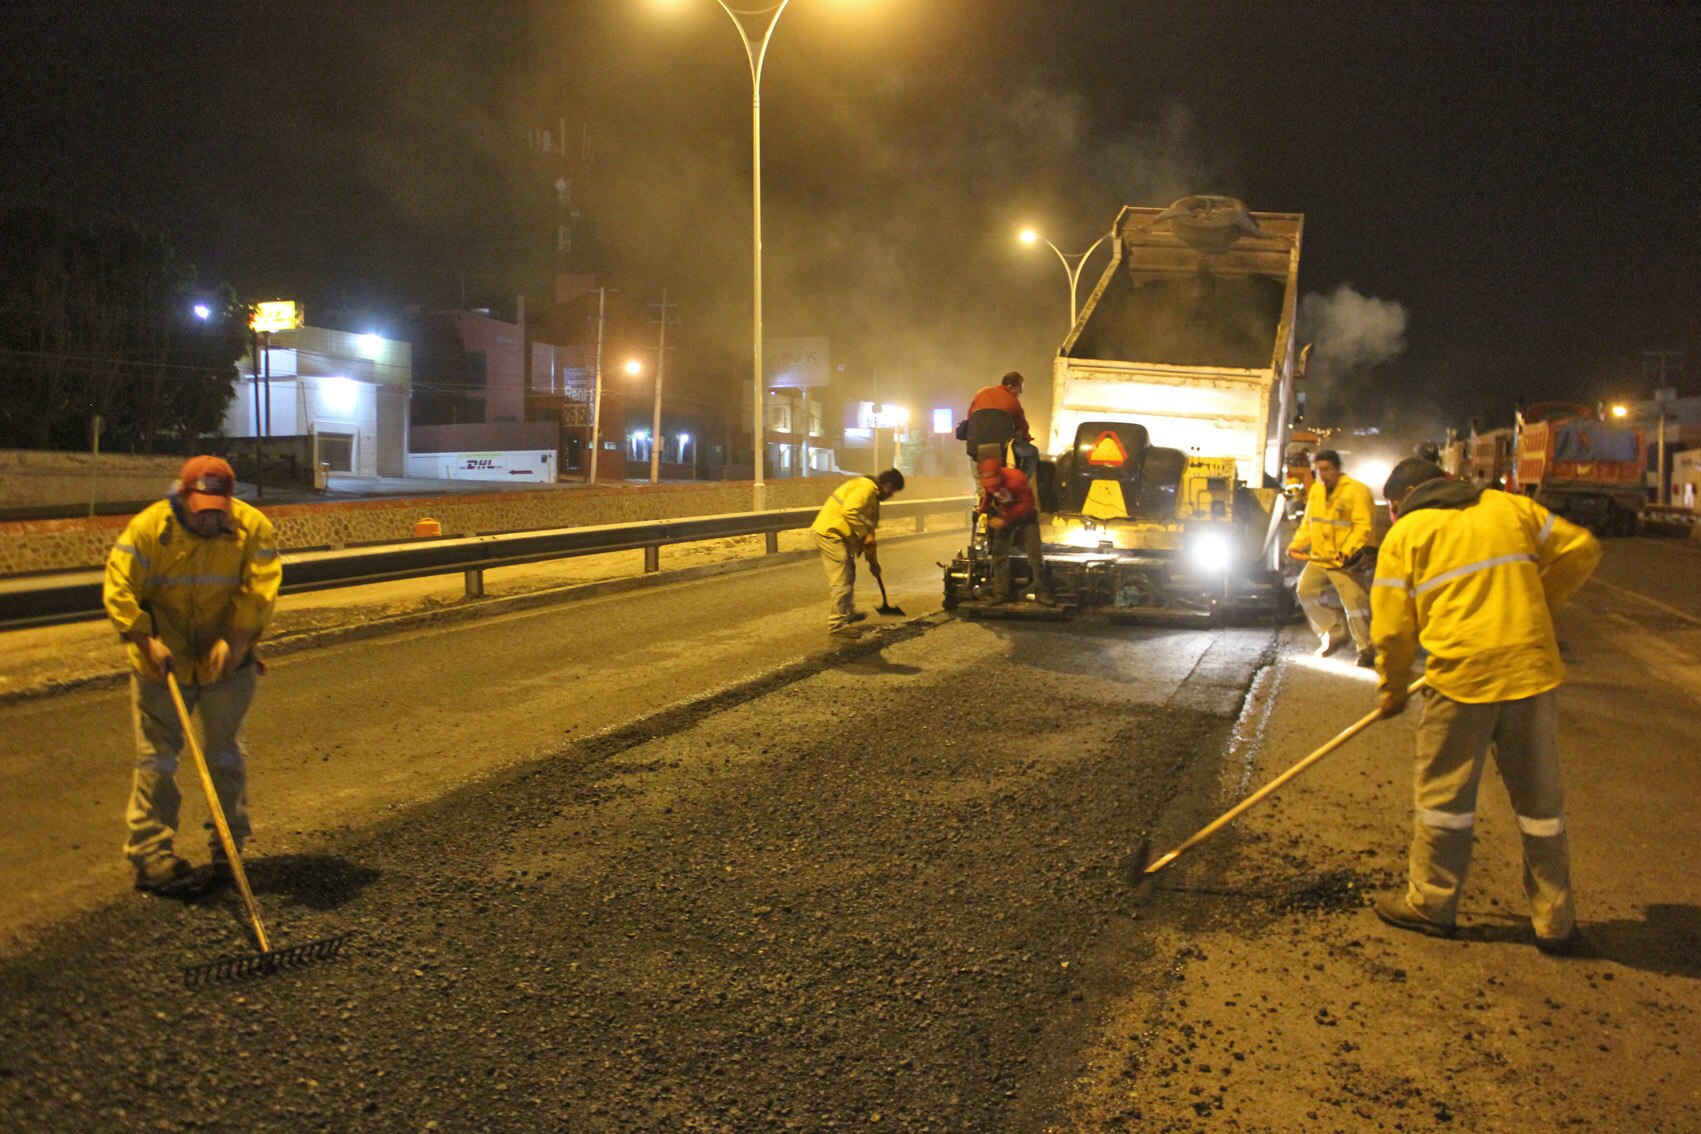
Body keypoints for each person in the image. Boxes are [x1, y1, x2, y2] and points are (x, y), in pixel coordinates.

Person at [1369, 458, 1600, 954]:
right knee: (1541, 806)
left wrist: (1391, 686)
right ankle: (1555, 922)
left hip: (1461, 681)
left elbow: (1391, 630)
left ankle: (1432, 904)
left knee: (1445, 802)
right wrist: (1539, 602)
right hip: (1530, 674)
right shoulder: (1511, 508)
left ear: (1400, 500)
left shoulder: (1408, 532)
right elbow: (1582, 548)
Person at [103, 456, 282, 895]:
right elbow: (119, 587)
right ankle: (151, 854)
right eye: (201, 508)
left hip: (228, 661)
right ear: (182, 498)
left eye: (218, 509)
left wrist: (235, 643)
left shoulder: (252, 528)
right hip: (163, 662)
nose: (210, 518)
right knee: (158, 758)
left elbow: (260, 592)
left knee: (225, 754)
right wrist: (147, 641)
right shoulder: (150, 529)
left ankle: (228, 847)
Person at [1288, 449, 1376, 666]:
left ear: (1337, 469)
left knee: (1356, 604)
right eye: (1319, 470)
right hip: (1320, 557)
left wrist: (1346, 551)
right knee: (1305, 591)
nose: (1322, 475)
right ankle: (1334, 630)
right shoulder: (1317, 491)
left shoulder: (1357, 491)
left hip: (1343, 561)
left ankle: (1366, 649)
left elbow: (1363, 527)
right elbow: (1309, 524)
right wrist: (1295, 545)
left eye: (1326, 469)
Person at [810, 468, 905, 640]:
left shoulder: (873, 497)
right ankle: (836, 625)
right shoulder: (865, 488)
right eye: (893, 491)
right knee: (842, 579)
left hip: (840, 536)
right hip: (830, 534)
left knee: (850, 573)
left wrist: (873, 562)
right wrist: (864, 535)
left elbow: (869, 535)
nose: (892, 496)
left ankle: (848, 612)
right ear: (887, 486)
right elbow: (850, 511)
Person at [977, 456, 1053, 605]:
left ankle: (1042, 592)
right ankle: (1001, 592)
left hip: (1026, 515)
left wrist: (1004, 519)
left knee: (1034, 553)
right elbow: (989, 493)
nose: (993, 485)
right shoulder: (988, 482)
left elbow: (1027, 504)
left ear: (1000, 475)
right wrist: (982, 509)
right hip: (1005, 513)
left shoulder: (1017, 478)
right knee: (999, 553)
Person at [964, 371, 1036, 479]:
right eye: (1019, 388)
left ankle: (980, 489)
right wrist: (1027, 438)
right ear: (1010, 387)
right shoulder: (1013, 401)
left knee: (973, 456)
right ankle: (1021, 482)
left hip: (977, 447)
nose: (1020, 391)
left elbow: (970, 418)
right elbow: (1022, 426)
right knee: (1033, 453)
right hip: (1002, 448)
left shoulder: (981, 393)